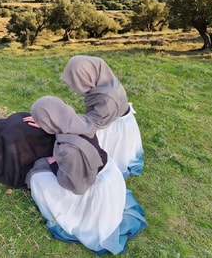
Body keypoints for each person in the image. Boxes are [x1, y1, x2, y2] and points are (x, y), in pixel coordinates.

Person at [26, 96, 147, 255]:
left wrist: (53, 164)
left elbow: (77, 187)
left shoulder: (68, 150)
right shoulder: (81, 121)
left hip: (93, 189)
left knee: (39, 179)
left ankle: (75, 212)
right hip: (110, 174)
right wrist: (45, 122)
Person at [25, 55, 144, 177]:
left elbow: (90, 125)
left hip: (113, 128)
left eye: (75, 82)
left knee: (89, 153)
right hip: (105, 119)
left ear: (86, 76)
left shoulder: (108, 100)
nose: (72, 87)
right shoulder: (102, 80)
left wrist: (51, 120)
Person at [0, 111, 56, 189]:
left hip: (54, 150)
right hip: (55, 133)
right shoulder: (15, 117)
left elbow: (13, 162)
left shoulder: (8, 138)